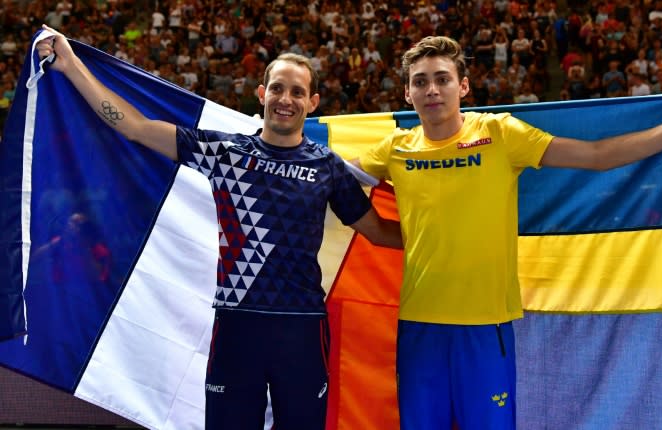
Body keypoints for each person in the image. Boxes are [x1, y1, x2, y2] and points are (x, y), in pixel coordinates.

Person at [36, 25, 403, 430]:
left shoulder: (328, 167)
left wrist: (454, 236)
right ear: (261, 95)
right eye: (278, 89)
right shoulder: (224, 153)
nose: (286, 99)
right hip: (236, 328)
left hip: (301, 330)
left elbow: (379, 232)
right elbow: (135, 127)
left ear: (312, 102)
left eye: (297, 92)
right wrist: (70, 65)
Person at [352, 35, 662, 430]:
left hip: (485, 326)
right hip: (420, 325)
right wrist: (373, 229)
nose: (432, 89)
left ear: (464, 86)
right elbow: (326, 176)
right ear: (407, 93)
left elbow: (597, 157)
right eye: (420, 82)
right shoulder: (395, 149)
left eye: (442, 78)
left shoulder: (500, 134)